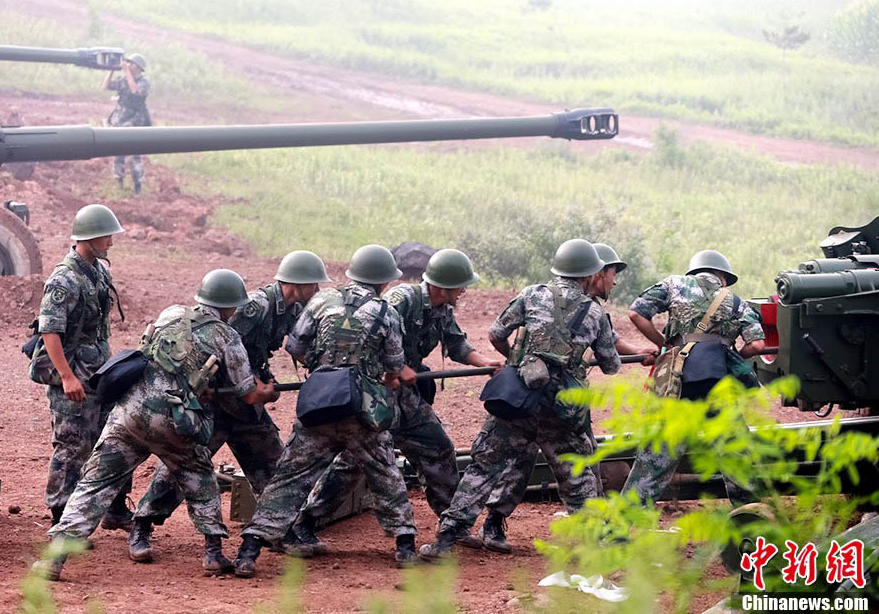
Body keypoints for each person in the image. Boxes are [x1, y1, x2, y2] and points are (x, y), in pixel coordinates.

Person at [36, 269, 277, 580]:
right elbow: (247, 394)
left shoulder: (171, 313)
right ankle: (213, 553)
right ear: (231, 307)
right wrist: (267, 394)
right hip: (172, 421)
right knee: (199, 477)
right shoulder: (226, 336)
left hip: (128, 413)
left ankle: (54, 559)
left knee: (93, 485)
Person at [419, 239, 621, 560]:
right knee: (577, 475)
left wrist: (515, 360)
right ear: (588, 275)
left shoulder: (531, 294)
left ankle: (446, 540)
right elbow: (610, 364)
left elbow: (496, 333)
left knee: (483, 468)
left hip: (518, 399)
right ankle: (594, 544)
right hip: (563, 408)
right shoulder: (594, 312)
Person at [292, 249, 503, 555]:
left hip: (405, 396)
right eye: (461, 285)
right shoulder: (400, 301)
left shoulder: (442, 309)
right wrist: (391, 370)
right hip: (375, 394)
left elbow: (456, 344)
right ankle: (306, 522)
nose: (464, 291)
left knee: (437, 447)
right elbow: (367, 337)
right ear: (443, 286)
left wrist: (485, 361)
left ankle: (453, 525)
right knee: (354, 462)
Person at [127, 251, 329, 563]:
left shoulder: (293, 310)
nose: (316, 291)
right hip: (217, 403)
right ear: (296, 284)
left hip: (247, 404)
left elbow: (279, 348)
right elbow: (216, 339)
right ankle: (141, 525)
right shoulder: (254, 307)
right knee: (179, 469)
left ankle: (281, 530)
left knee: (274, 468)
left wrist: (269, 379)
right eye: (313, 285)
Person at [232, 245, 419, 577]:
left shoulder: (321, 301)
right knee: (385, 472)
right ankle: (405, 547)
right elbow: (394, 365)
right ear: (383, 282)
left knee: (289, 477)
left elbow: (295, 345)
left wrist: (323, 370)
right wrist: (382, 377)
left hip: (319, 406)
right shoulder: (385, 311)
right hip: (362, 411)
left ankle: (249, 551)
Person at [622, 249, 765, 505]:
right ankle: (752, 521)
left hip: (677, 384)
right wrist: (731, 357)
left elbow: (636, 312)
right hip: (717, 384)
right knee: (737, 456)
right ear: (722, 277)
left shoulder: (674, 284)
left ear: (695, 270)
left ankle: (618, 530)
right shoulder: (735, 302)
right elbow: (757, 346)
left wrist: (663, 344)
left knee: (654, 460)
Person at [31, 204, 133, 532]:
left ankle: (114, 507)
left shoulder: (99, 271)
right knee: (73, 445)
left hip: (99, 373)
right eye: (106, 235)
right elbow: (50, 332)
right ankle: (62, 518)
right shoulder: (64, 279)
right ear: (88, 238)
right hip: (73, 376)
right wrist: (66, 377)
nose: (111, 242)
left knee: (112, 439)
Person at [103, 53, 150, 194]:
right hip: (120, 119)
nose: (128, 65)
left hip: (135, 121)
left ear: (139, 67)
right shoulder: (124, 79)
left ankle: (137, 186)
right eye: (127, 63)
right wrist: (111, 69)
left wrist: (126, 71)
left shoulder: (144, 82)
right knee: (118, 152)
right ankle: (119, 182)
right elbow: (105, 86)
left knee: (135, 154)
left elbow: (135, 91)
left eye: (131, 63)